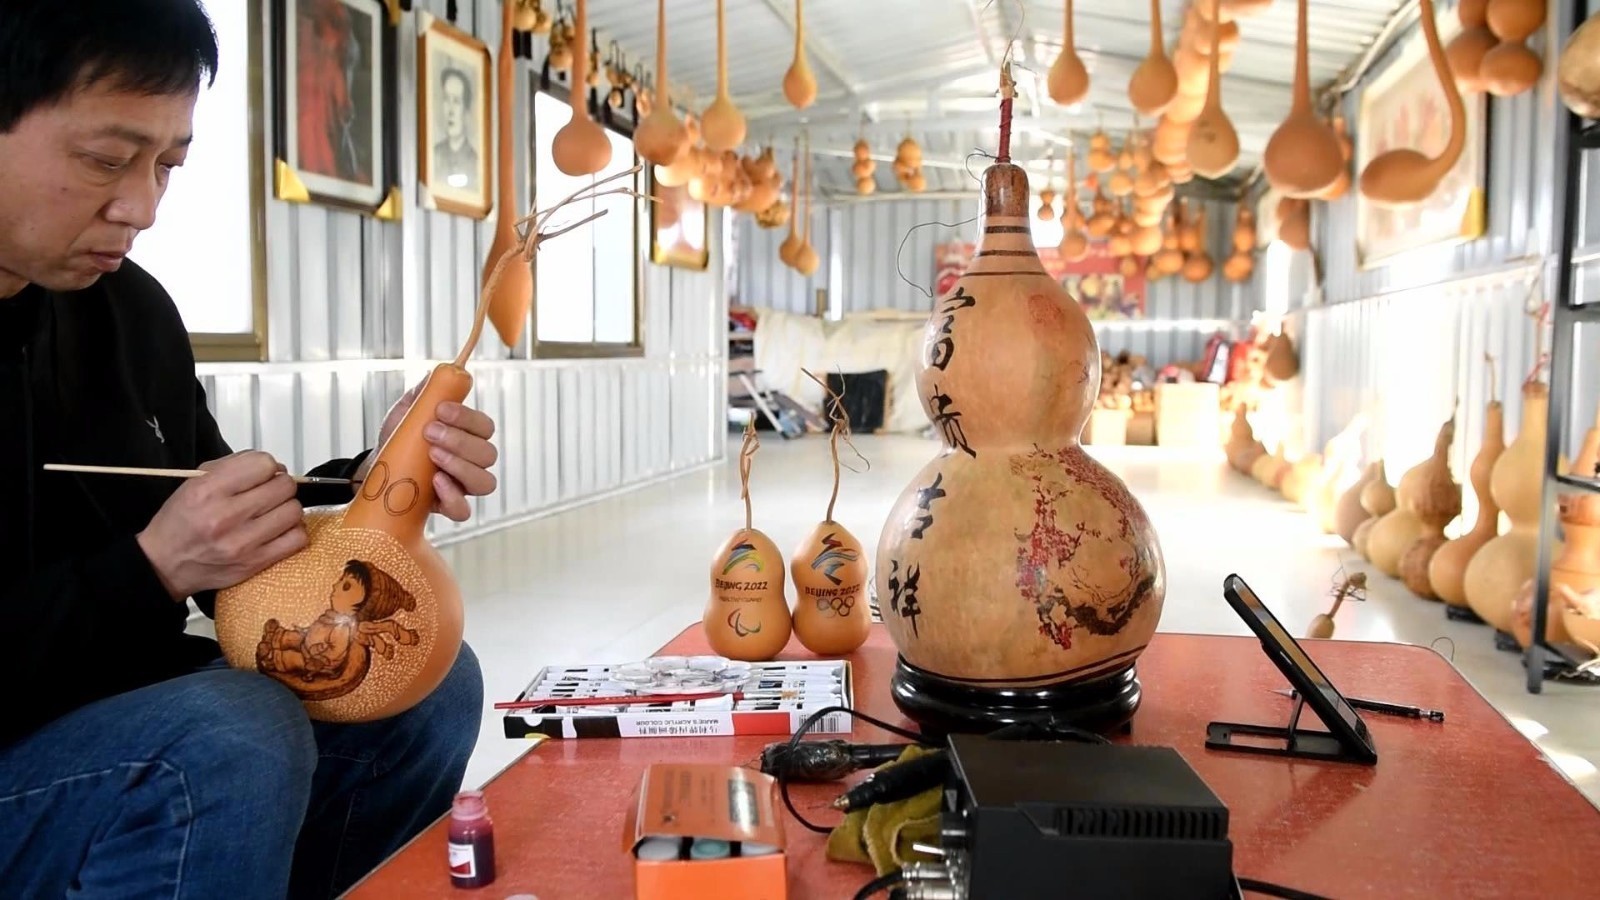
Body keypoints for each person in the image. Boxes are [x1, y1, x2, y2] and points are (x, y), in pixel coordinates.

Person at [0, 3, 499, 897]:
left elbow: (224, 540)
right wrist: (150, 570)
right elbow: (166, 562)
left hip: (114, 702)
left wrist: (375, 485)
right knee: (231, 732)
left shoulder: (130, 311)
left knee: (422, 680)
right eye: (106, 160)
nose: (142, 207)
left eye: (168, 165)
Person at [433, 65, 479, 190]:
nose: (450, 110)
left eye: (457, 101)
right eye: (446, 99)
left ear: (466, 110)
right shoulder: (435, 155)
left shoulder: (475, 162)